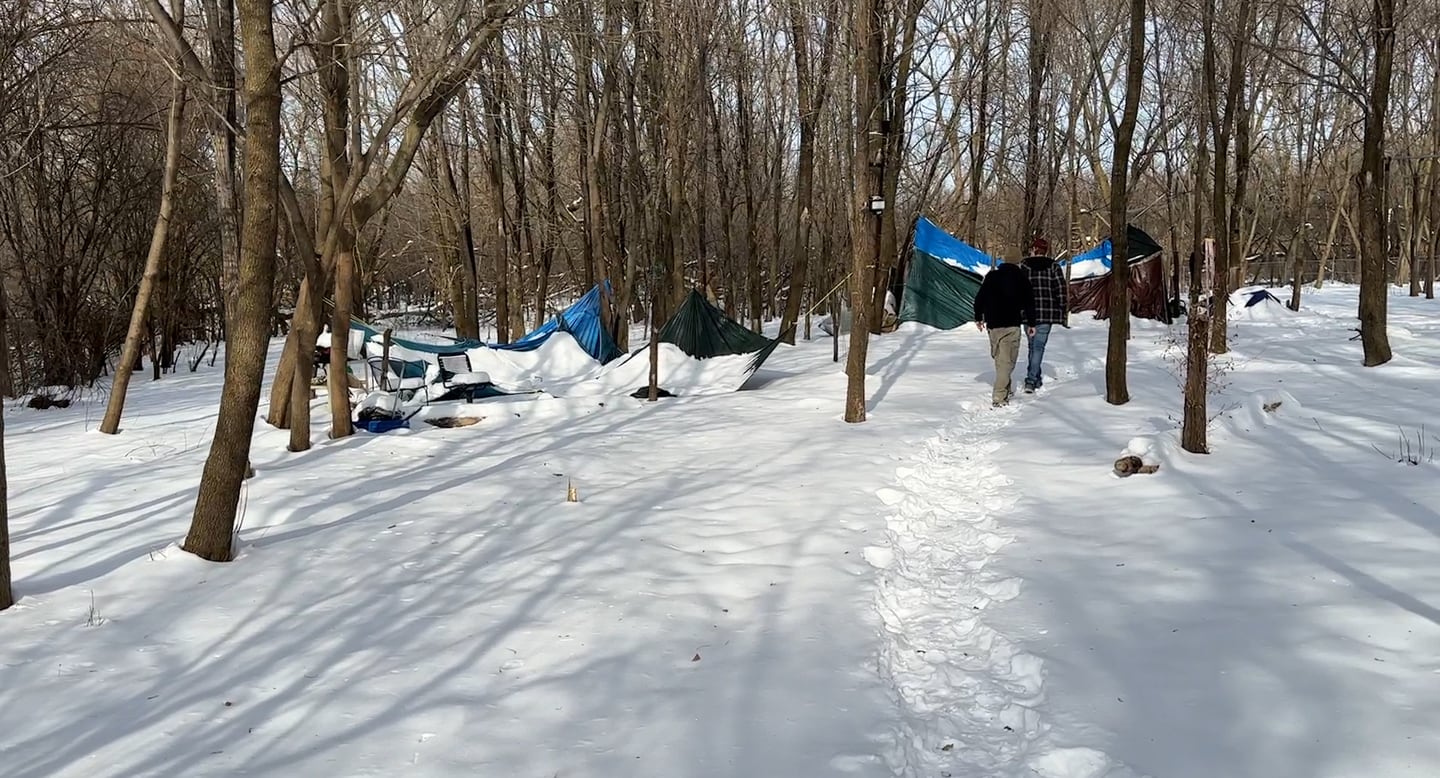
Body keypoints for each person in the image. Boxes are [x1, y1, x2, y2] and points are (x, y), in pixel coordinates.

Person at [973, 254, 1036, 407]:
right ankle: (999, 397)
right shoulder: (1022, 278)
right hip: (1011, 324)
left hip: (993, 324)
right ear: (1018, 262)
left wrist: (978, 318)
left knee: (1000, 359)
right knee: (1007, 362)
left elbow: (979, 298)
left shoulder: (991, 276)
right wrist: (1032, 324)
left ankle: (1005, 389)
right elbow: (1029, 303)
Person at [1019, 237, 1069, 393]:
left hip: (1028, 314)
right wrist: (1062, 309)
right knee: (1038, 347)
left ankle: (1034, 379)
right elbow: (1060, 290)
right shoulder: (1053, 267)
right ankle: (1032, 379)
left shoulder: (1025, 267)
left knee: (1032, 347)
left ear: (1034, 250)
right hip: (1047, 313)